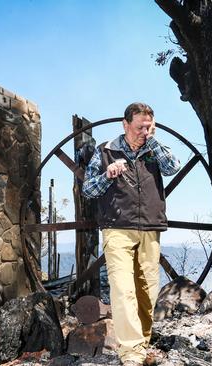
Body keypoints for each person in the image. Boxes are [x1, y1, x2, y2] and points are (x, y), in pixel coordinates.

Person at [82, 102, 180, 365]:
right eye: (139, 127)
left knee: (147, 292)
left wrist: (153, 141)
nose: (144, 132)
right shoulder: (105, 152)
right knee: (123, 290)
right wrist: (107, 175)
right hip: (117, 229)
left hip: (150, 228)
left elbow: (173, 167)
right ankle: (132, 355)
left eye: (149, 127)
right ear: (125, 125)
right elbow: (88, 190)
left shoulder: (154, 149)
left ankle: (141, 341)